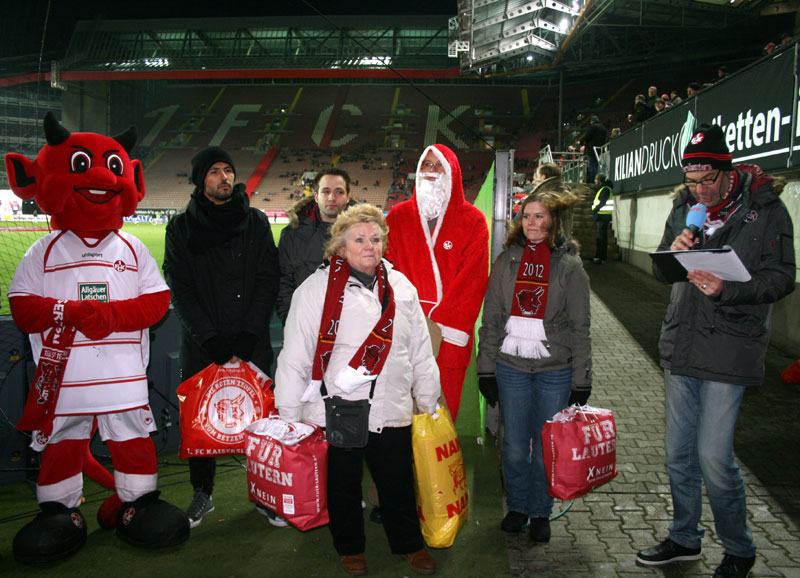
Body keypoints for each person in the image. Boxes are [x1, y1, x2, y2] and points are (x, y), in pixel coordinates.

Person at [636, 124, 795, 577]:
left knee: (713, 458)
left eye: (708, 181)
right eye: (692, 182)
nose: (700, 191)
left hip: (730, 347)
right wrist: (672, 249)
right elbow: (663, 271)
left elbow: (782, 277)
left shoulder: (765, 209)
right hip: (681, 343)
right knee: (676, 456)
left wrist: (729, 288)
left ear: (727, 172)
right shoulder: (685, 206)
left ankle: (739, 547)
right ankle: (685, 537)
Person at [274, 204, 441, 576]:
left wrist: (428, 398)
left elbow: (420, 351)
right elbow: (295, 355)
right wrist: (288, 414)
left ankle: (409, 545)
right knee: (344, 483)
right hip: (338, 406)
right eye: (360, 239)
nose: (370, 246)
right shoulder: (315, 289)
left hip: (391, 402)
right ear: (340, 245)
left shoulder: (402, 287)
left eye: (376, 238)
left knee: (397, 481)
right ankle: (350, 546)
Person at [163, 146, 280, 528]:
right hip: (203, 344)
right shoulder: (180, 228)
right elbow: (179, 288)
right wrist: (209, 338)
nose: (223, 177)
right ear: (201, 179)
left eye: (228, 170)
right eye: (213, 171)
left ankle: (266, 493)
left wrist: (249, 333)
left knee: (261, 421)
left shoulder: (257, 222)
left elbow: (268, 279)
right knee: (201, 420)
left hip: (251, 342)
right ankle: (203, 492)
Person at [476, 178, 592, 543]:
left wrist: (582, 378)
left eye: (540, 216)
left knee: (545, 447)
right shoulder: (506, 261)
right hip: (511, 368)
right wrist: (485, 368)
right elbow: (491, 318)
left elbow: (580, 327)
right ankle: (518, 507)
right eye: (527, 216)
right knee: (513, 444)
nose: (532, 223)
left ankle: (540, 511)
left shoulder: (570, 268)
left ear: (553, 221)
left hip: (554, 371)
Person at [385, 144, 489, 421]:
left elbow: (474, 282)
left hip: (448, 330)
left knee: (439, 420)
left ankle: (437, 465)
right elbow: (387, 271)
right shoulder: (398, 217)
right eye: (426, 166)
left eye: (437, 166)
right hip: (404, 327)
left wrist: (442, 322)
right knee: (399, 414)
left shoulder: (473, 221)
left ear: (452, 172)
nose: (431, 172)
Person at [276, 167, 357, 323]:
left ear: (348, 197)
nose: (332, 197)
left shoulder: (364, 235)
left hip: (350, 327)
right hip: (303, 324)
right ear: (315, 196)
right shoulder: (292, 234)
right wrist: (291, 320)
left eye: (339, 192)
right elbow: (283, 282)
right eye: (325, 191)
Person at [592, 174, 614, 264]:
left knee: (601, 239)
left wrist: (596, 210)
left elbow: (602, 202)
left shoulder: (605, 189)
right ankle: (600, 257)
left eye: (596, 179)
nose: (594, 181)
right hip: (603, 216)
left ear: (599, 180)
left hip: (602, 216)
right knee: (601, 238)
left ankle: (600, 257)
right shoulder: (604, 188)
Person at [582, 115, 607, 183]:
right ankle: (599, 180)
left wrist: (582, 141)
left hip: (592, 149)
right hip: (600, 149)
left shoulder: (593, 127)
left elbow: (587, 136)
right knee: (598, 165)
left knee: (592, 166)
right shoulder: (603, 128)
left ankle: (594, 180)